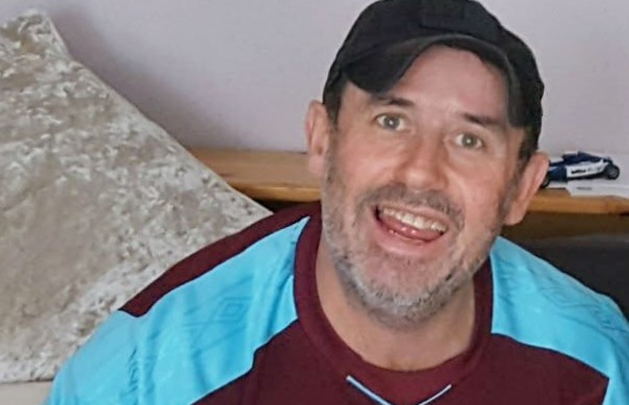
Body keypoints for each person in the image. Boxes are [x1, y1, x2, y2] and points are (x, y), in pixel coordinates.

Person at [44, 0, 629, 404]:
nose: (422, 172)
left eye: (469, 140)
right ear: (322, 140)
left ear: (521, 188)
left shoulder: (597, 363)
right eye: (391, 121)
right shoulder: (144, 372)